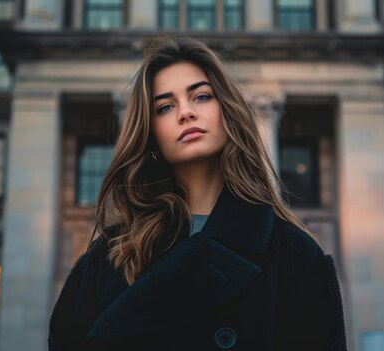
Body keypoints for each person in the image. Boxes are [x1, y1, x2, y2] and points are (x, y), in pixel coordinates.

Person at [48, 36, 347, 351]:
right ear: (151, 134)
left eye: (201, 97)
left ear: (227, 110)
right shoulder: (110, 256)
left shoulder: (295, 255)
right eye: (165, 106)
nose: (185, 113)